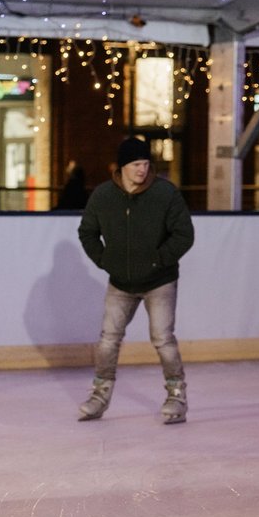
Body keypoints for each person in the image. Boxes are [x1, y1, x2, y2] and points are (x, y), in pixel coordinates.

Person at [77, 137, 195, 424]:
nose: (142, 169)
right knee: (108, 340)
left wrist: (158, 260)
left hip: (159, 282)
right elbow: (87, 232)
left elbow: (184, 234)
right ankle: (100, 395)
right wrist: (106, 262)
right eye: (136, 164)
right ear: (123, 167)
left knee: (163, 339)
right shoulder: (104, 196)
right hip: (120, 283)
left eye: (145, 164)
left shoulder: (165, 193)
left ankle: (176, 394)